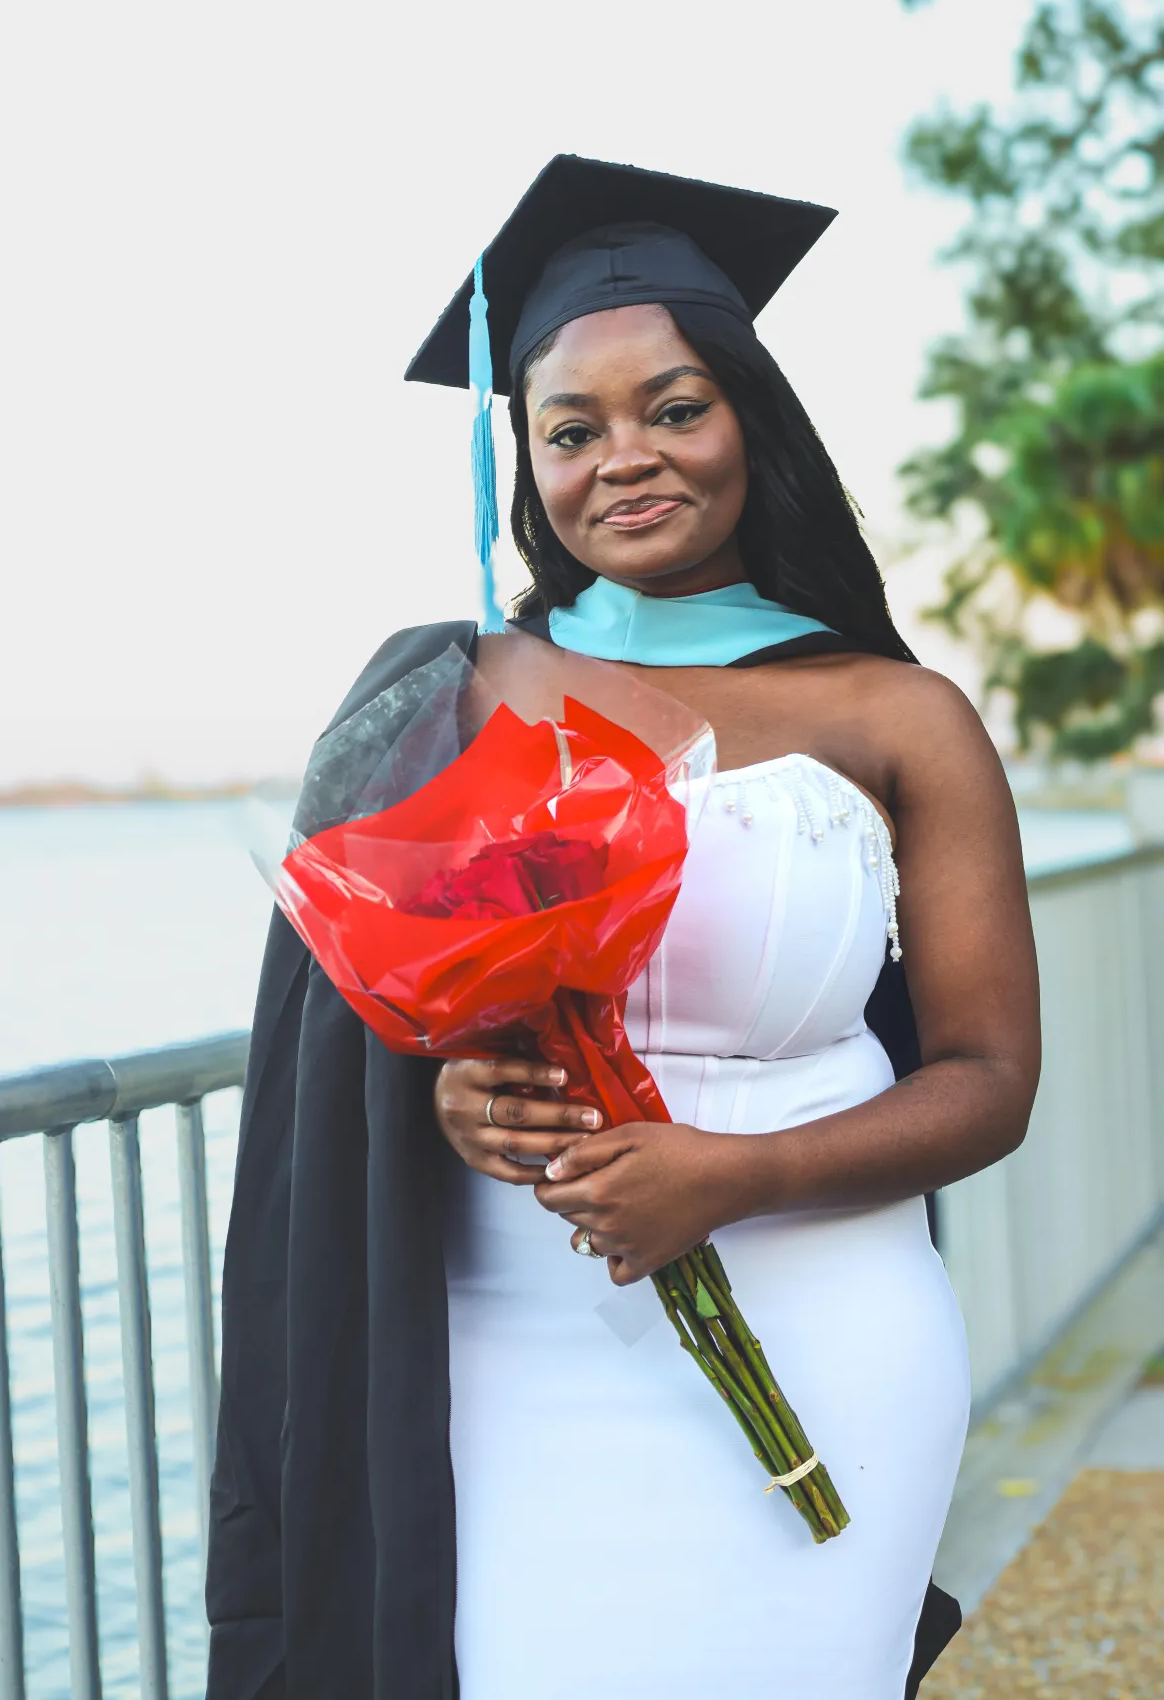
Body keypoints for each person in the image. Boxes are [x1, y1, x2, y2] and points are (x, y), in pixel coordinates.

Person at [205, 156, 1041, 1699]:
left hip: (828, 1314)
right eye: (571, 430)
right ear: (525, 464)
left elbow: (989, 1079)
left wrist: (735, 1176)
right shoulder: (447, 693)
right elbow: (355, 1048)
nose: (626, 459)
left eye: (675, 407)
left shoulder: (898, 715)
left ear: (752, 421)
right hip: (506, 1339)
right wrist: (447, 1101)